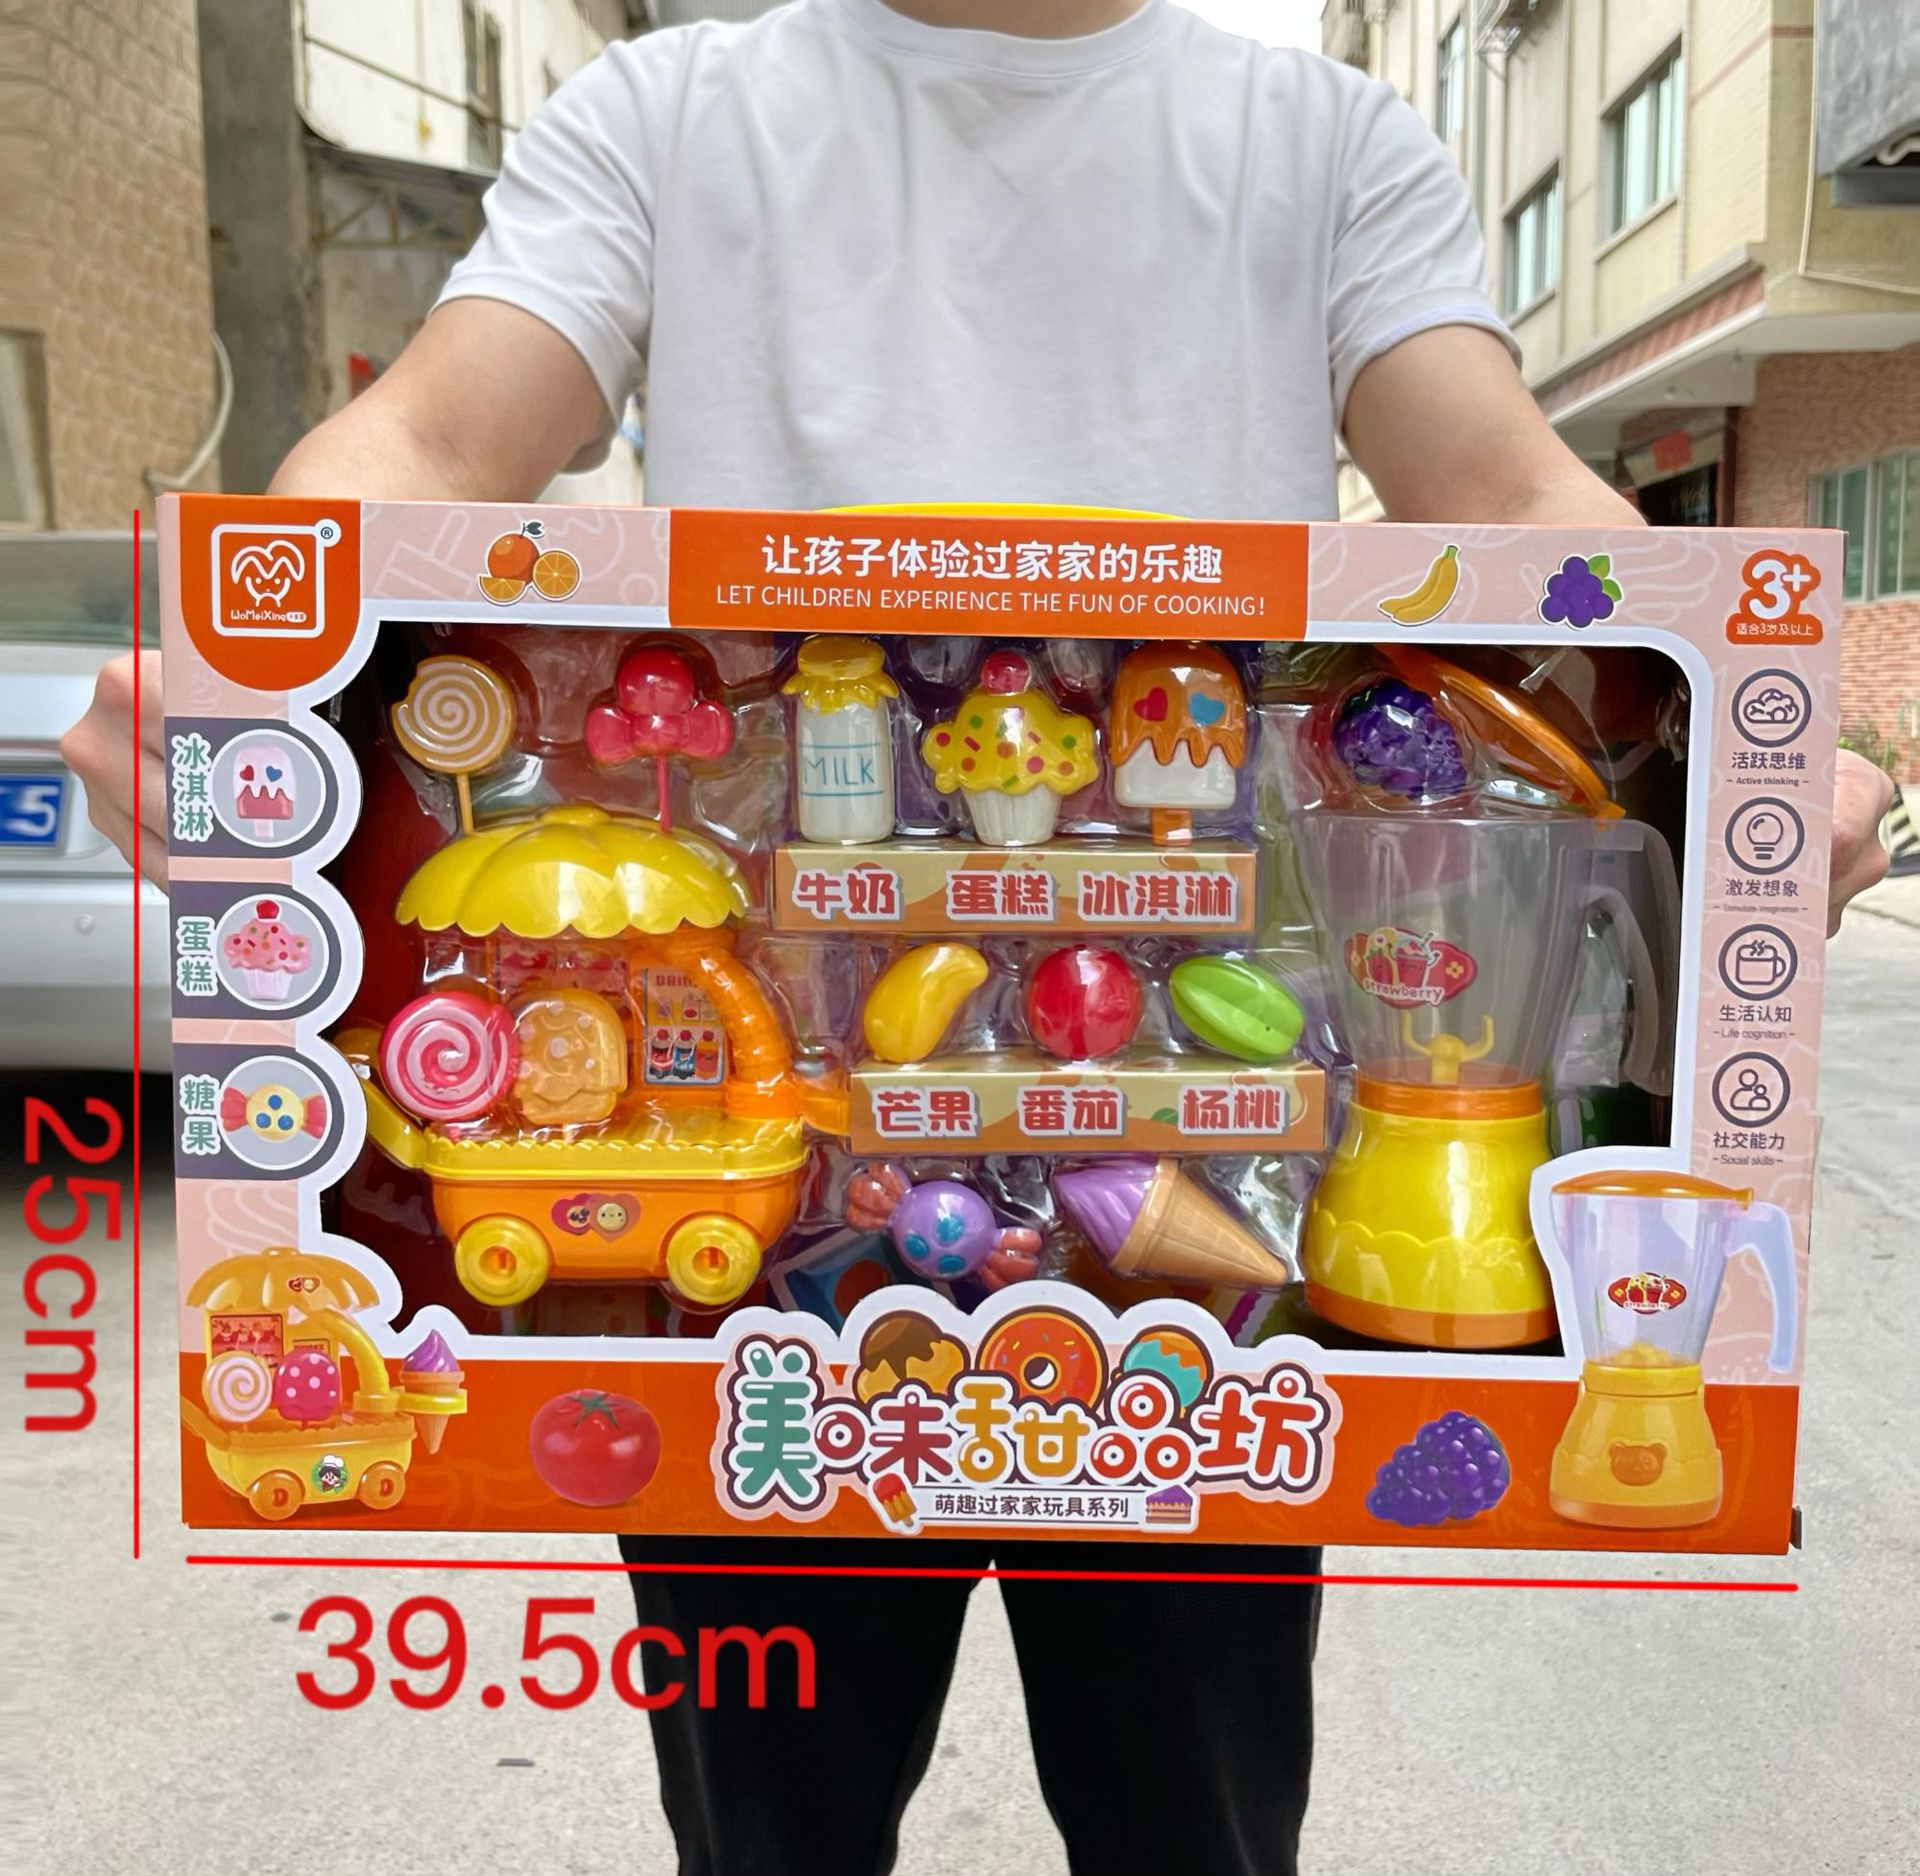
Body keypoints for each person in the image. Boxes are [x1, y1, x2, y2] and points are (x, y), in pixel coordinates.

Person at [62, 3, 1894, 1871]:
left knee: (1192, 1823)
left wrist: (1743, 745)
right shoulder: (670, 108)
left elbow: (1504, 497)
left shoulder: (1323, 139)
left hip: (1200, 1227)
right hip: (766, 1257)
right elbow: (436, 437)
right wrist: (253, 672)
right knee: (772, 1832)